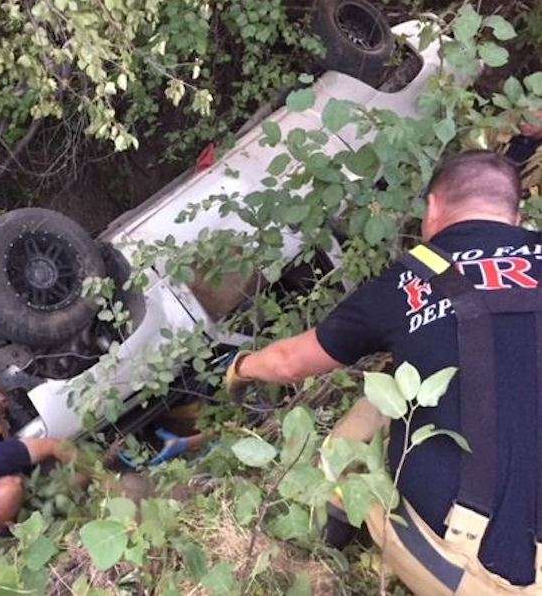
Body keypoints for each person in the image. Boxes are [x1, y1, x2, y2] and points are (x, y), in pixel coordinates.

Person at [225, 151, 541, 592]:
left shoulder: (407, 282)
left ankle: (333, 539)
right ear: (517, 216)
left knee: (357, 431)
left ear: (432, 208)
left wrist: (241, 368)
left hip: (482, 571)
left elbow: (289, 362)